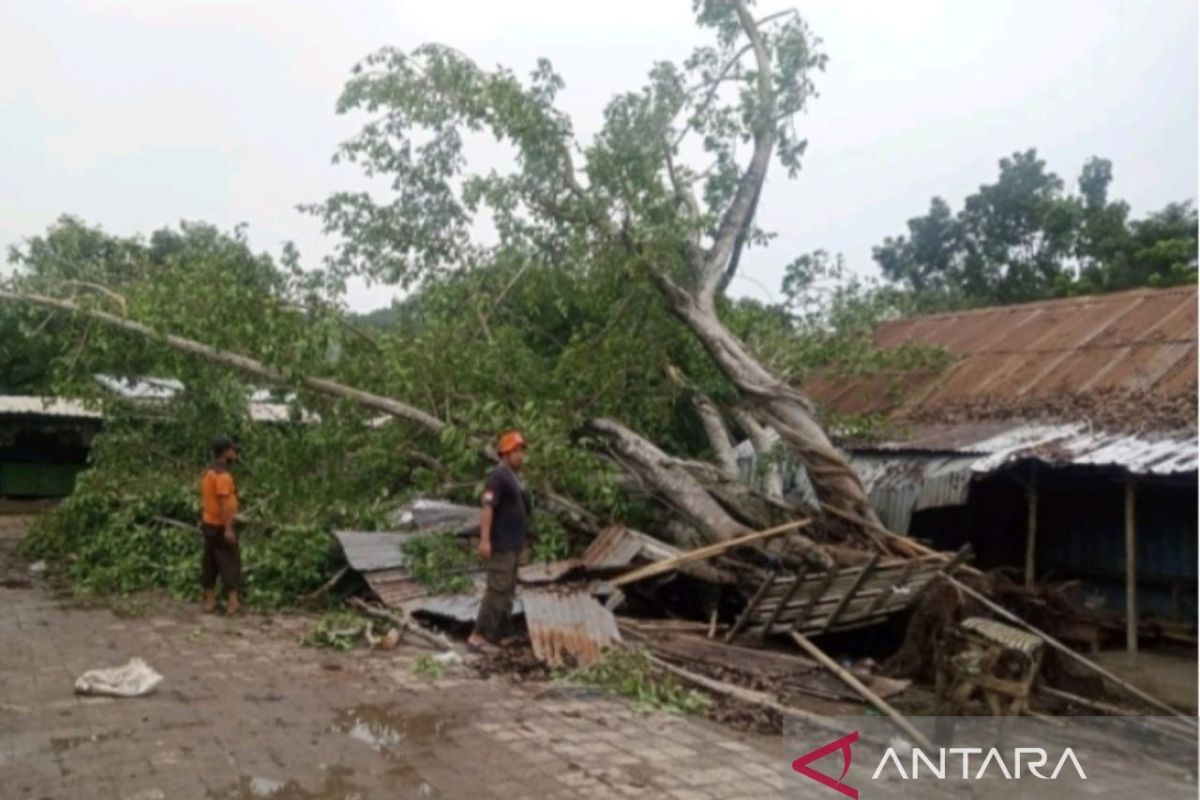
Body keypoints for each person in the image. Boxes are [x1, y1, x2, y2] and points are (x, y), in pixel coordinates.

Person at [467, 430, 530, 652]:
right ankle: (479, 635)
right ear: (505, 453)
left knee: (508, 591)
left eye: (522, 451)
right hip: (500, 545)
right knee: (496, 590)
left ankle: (500, 634)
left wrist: (523, 543)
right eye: (517, 451)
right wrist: (484, 541)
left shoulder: (515, 479)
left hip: (513, 545)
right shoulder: (497, 477)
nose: (521, 455)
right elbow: (488, 508)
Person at [200, 435, 241, 615]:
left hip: (209, 522)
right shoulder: (223, 476)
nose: (234, 452)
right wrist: (229, 528)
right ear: (225, 452)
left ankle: (209, 601)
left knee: (210, 561)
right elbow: (224, 502)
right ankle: (232, 602)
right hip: (220, 525)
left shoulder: (209, 472)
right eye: (232, 449)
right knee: (229, 562)